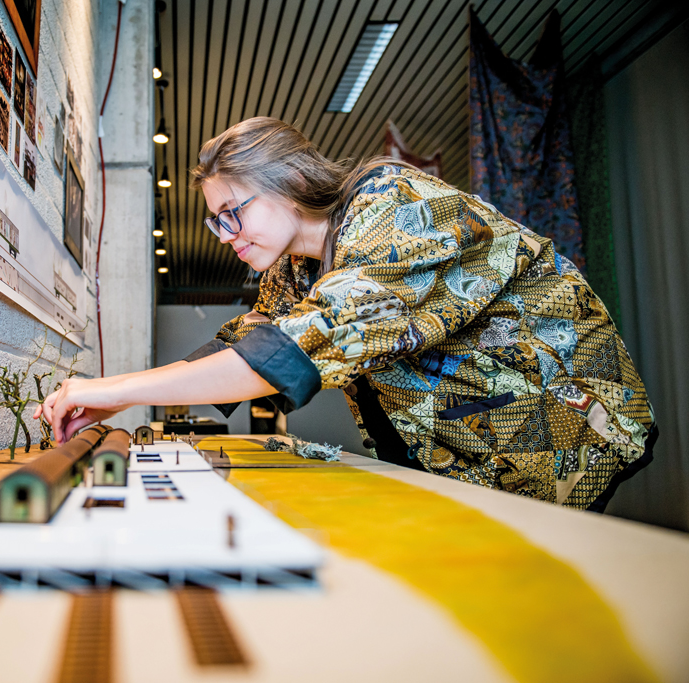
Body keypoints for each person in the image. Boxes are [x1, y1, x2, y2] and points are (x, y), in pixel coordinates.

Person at [36, 117, 656, 512]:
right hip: (461, 453)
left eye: (234, 213)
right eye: (214, 221)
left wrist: (112, 390)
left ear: (290, 180)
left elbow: (295, 350)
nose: (226, 236)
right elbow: (242, 348)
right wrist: (115, 400)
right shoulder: (292, 270)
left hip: (561, 431)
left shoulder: (395, 205)